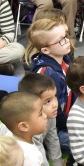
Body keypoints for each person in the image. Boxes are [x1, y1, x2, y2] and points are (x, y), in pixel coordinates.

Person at [26, 17, 75, 152]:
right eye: (61, 40)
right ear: (46, 51)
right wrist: (74, 125)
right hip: (56, 127)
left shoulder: (64, 58)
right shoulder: (48, 74)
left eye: (66, 36)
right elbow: (55, 114)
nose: (67, 41)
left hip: (68, 113)